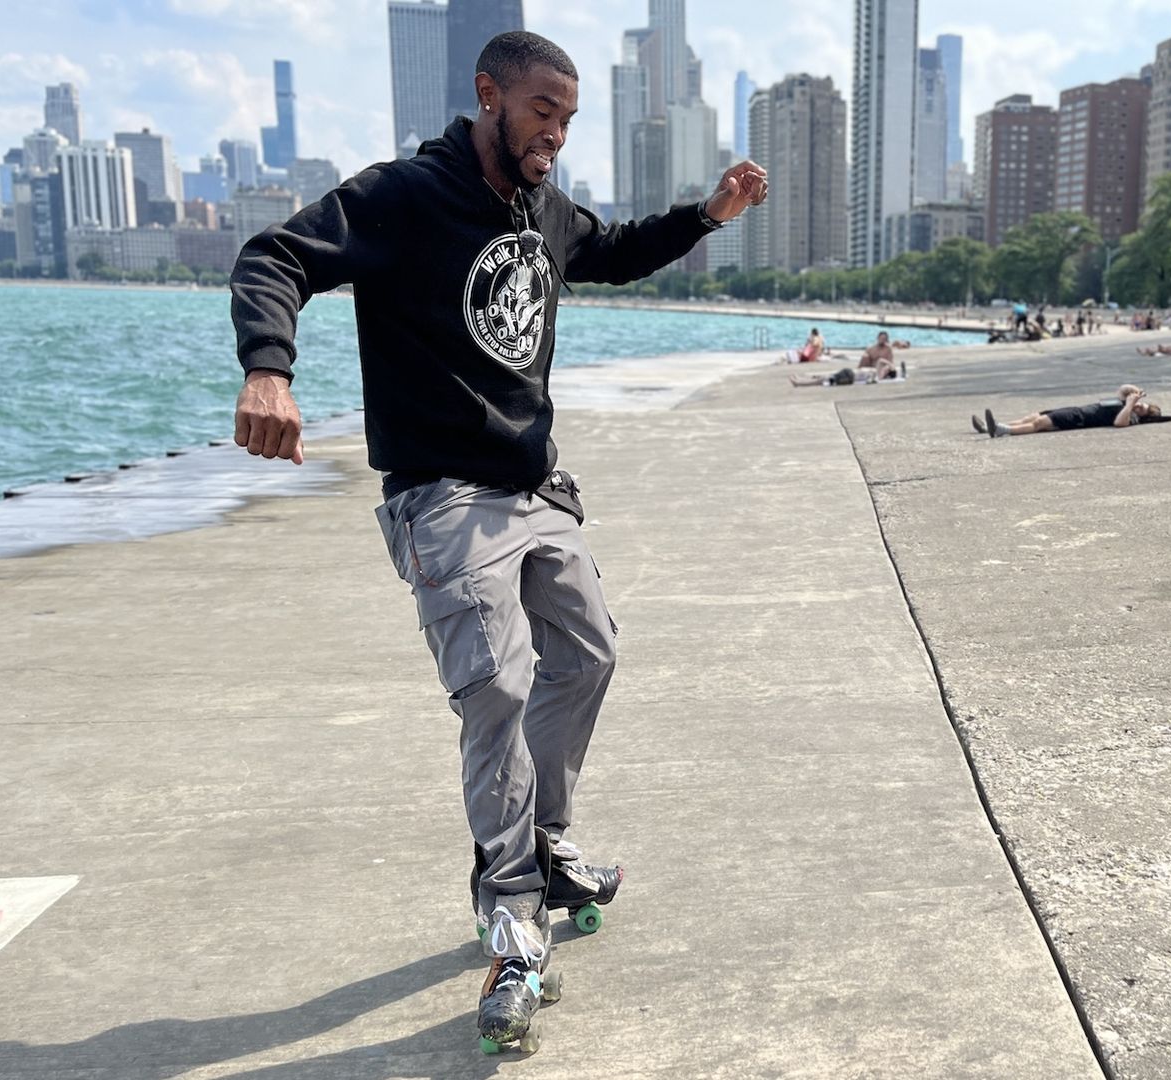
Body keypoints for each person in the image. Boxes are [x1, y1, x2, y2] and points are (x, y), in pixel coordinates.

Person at [225, 31, 768, 1052]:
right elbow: (275, 257)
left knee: (589, 654)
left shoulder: (544, 209)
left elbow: (610, 253)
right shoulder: (403, 197)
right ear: (490, 97)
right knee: (500, 688)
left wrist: (706, 216)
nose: (555, 134)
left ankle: (544, 843)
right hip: (442, 497)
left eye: (568, 119)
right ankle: (512, 913)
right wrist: (269, 370)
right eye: (542, 113)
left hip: (534, 486)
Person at [972, 384, 1171, 437]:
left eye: (1141, 408)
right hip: (1078, 410)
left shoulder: (1131, 416)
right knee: (1034, 416)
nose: (1137, 405)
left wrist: (1130, 406)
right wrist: (1136, 392)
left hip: (1080, 418)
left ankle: (1001, 430)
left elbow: (1119, 423)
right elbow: (1122, 389)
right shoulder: (1127, 403)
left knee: (1038, 425)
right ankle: (993, 427)